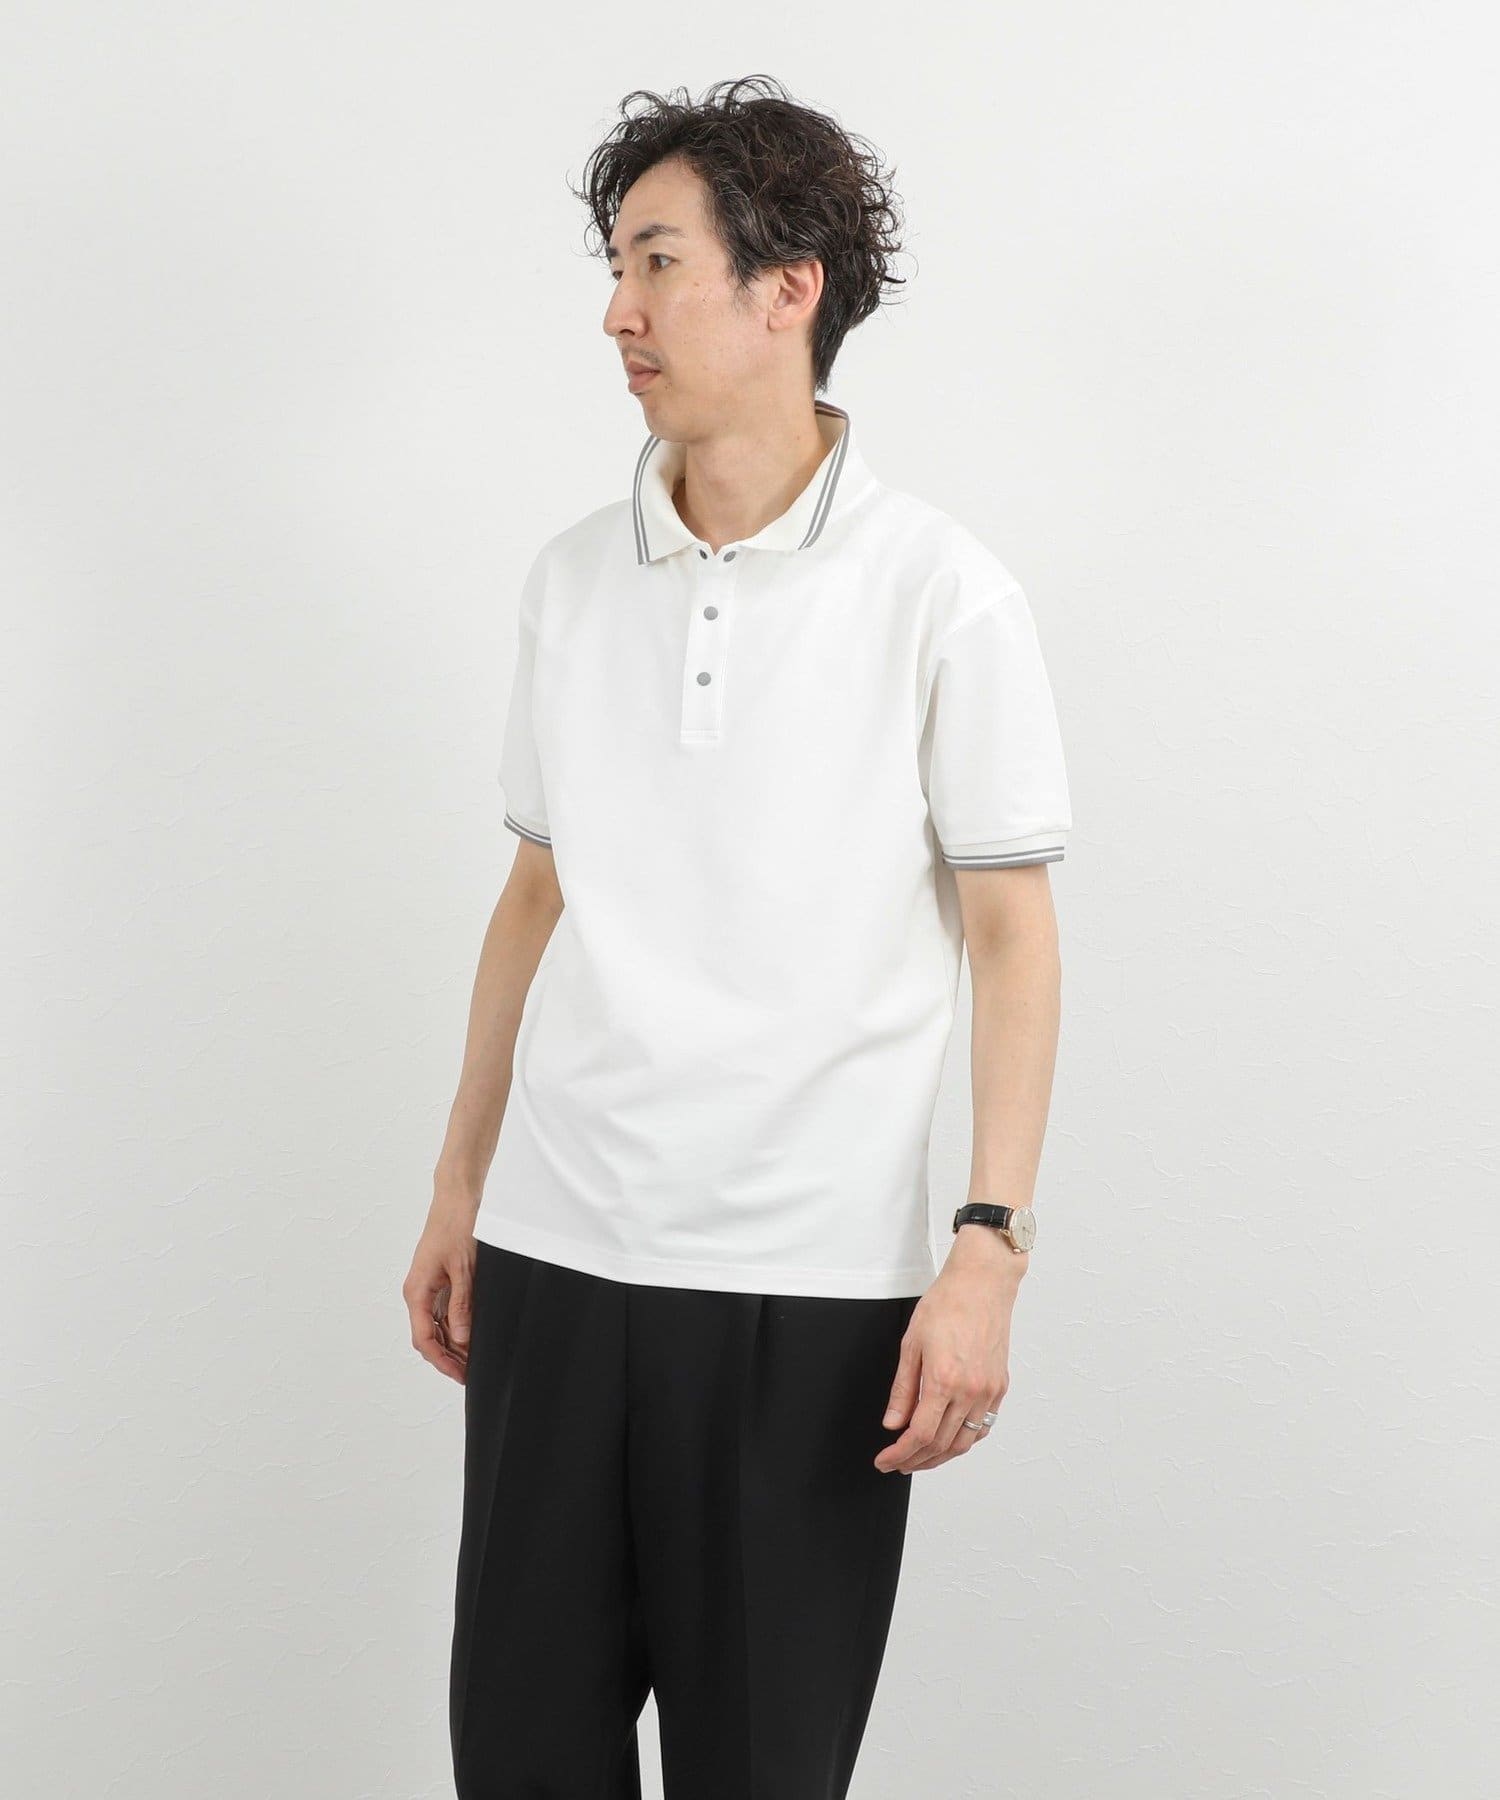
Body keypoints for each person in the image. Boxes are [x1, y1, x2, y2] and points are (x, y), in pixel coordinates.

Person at [402, 73, 1073, 1800]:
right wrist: (462, 1186)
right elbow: (539, 892)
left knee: (763, 1770)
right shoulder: (572, 579)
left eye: (657, 262)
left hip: (808, 1290)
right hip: (557, 1263)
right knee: (519, 1760)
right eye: (615, 267)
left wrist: (987, 1246)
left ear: (790, 290)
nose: (616, 312)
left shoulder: (942, 592)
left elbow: (1011, 933)